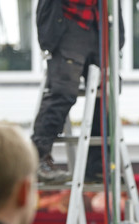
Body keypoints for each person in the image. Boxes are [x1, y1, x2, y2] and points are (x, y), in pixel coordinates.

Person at [32, 0, 125, 184]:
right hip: (68, 24)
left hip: (98, 25)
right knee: (63, 91)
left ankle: (96, 165)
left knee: (106, 93)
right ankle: (38, 159)